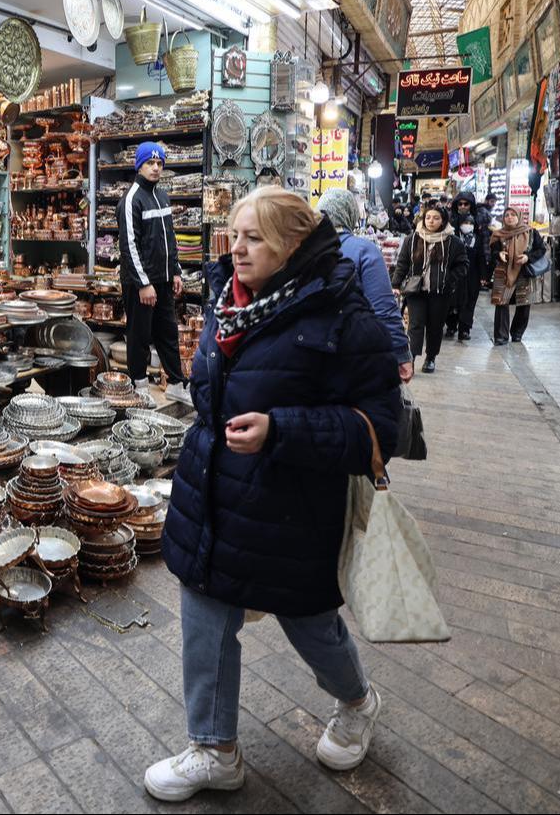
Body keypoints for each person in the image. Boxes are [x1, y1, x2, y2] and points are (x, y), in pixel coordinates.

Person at [148, 187, 400, 802]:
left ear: (292, 244)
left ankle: (357, 701)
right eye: (235, 235)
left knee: (310, 623)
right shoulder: (225, 301)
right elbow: (208, 388)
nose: (236, 249)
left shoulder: (339, 312)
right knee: (204, 615)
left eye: (254, 238)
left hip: (292, 506)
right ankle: (214, 749)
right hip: (212, 491)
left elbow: (379, 427)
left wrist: (280, 430)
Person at [118, 140, 191, 405]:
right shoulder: (131, 199)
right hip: (140, 283)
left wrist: (176, 271)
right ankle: (139, 387)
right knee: (139, 335)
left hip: (163, 278)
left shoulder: (162, 196)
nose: (156, 168)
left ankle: (176, 384)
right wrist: (143, 284)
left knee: (167, 332)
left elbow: (170, 237)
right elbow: (129, 246)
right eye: (150, 163)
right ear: (139, 166)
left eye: (159, 163)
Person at [316, 189, 413, 381]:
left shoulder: (300, 247)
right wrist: (401, 352)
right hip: (351, 352)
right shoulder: (363, 250)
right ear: (350, 214)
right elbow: (383, 307)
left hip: (306, 353)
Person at [391, 207, 467, 373]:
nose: (431, 221)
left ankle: (431, 357)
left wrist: (449, 278)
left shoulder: (453, 242)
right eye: (428, 217)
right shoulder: (413, 239)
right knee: (415, 325)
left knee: (435, 326)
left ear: (443, 221)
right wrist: (395, 284)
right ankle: (411, 358)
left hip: (440, 292)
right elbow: (403, 263)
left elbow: (462, 265)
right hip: (416, 291)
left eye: (436, 218)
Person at [489, 206, 547, 345]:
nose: (509, 217)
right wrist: (499, 254)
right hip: (504, 273)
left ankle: (517, 333)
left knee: (524, 304)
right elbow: (492, 252)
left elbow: (541, 249)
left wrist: (528, 257)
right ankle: (501, 337)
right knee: (501, 303)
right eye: (507, 215)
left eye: (513, 215)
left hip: (524, 272)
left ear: (519, 216)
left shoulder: (531, 232)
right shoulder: (498, 234)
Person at [445, 192, 489, 340]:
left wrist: (484, 275)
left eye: (466, 204)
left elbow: (482, 253)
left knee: (469, 301)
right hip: (454, 271)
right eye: (460, 204)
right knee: (451, 300)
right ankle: (451, 325)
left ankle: (465, 329)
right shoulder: (450, 225)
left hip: (472, 273)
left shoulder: (479, 229)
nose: (463, 206)